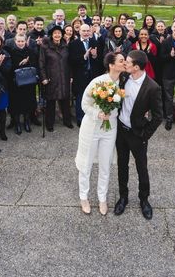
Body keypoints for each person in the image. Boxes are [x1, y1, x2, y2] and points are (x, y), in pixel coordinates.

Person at [114, 50, 163, 220]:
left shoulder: (153, 87)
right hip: (121, 131)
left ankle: (144, 200)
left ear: (136, 67)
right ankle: (123, 197)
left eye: (127, 62)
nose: (124, 64)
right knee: (122, 165)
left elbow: (158, 116)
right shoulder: (124, 78)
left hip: (138, 134)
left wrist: (145, 135)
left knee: (142, 168)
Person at [76, 52, 125, 215]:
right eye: (121, 60)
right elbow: (84, 104)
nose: (124, 62)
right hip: (92, 128)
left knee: (106, 164)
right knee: (86, 164)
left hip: (110, 129)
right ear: (111, 65)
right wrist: (98, 114)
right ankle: (84, 196)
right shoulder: (98, 82)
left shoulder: (123, 82)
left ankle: (102, 198)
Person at [39, 27, 73, 131]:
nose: (57, 35)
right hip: (51, 78)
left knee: (65, 100)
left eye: (59, 33)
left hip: (64, 77)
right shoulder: (45, 47)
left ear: (62, 35)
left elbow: (70, 63)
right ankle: (50, 123)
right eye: (55, 33)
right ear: (52, 35)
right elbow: (41, 63)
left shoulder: (66, 46)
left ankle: (67, 121)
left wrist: (71, 75)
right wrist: (43, 77)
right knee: (51, 102)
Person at [69, 24, 102, 126]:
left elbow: (100, 59)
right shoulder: (74, 44)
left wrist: (95, 55)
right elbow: (71, 60)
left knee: (93, 97)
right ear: (79, 31)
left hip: (92, 74)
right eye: (84, 31)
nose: (86, 33)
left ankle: (92, 117)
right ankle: (80, 118)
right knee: (80, 97)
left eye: (88, 31)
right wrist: (84, 57)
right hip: (79, 75)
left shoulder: (94, 42)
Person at [6, 34, 38, 134]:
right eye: (18, 41)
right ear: (15, 41)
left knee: (27, 102)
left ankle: (27, 122)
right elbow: (9, 67)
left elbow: (35, 65)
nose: (20, 43)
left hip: (28, 82)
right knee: (16, 103)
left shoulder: (30, 52)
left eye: (22, 41)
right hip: (15, 82)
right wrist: (20, 64)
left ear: (25, 41)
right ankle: (17, 123)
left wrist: (28, 62)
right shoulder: (11, 52)